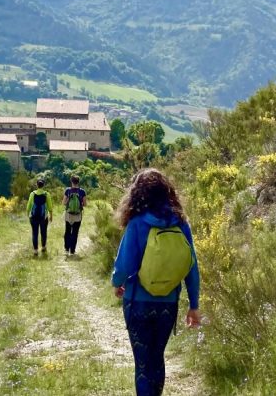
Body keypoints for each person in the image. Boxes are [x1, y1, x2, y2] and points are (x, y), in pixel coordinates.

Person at [111, 169, 201, 396]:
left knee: (142, 365)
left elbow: (123, 267)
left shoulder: (137, 223)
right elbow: (192, 267)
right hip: (168, 303)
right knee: (157, 358)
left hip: (138, 302)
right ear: (166, 192)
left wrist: (117, 283)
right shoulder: (181, 223)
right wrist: (193, 305)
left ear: (137, 194)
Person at [26, 178, 53, 255]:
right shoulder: (46, 194)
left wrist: (28, 214)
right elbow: (50, 206)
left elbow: (29, 205)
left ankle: (35, 250)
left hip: (33, 217)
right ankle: (43, 247)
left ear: (36, 185)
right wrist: (51, 216)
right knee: (43, 232)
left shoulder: (32, 194)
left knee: (35, 233)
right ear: (43, 185)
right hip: (43, 217)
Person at [62, 175, 87, 256]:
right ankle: (72, 250)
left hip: (68, 214)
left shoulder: (68, 190)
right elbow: (85, 204)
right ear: (78, 182)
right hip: (78, 215)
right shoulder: (82, 191)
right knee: (75, 233)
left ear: (71, 181)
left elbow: (64, 203)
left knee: (67, 231)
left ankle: (66, 248)